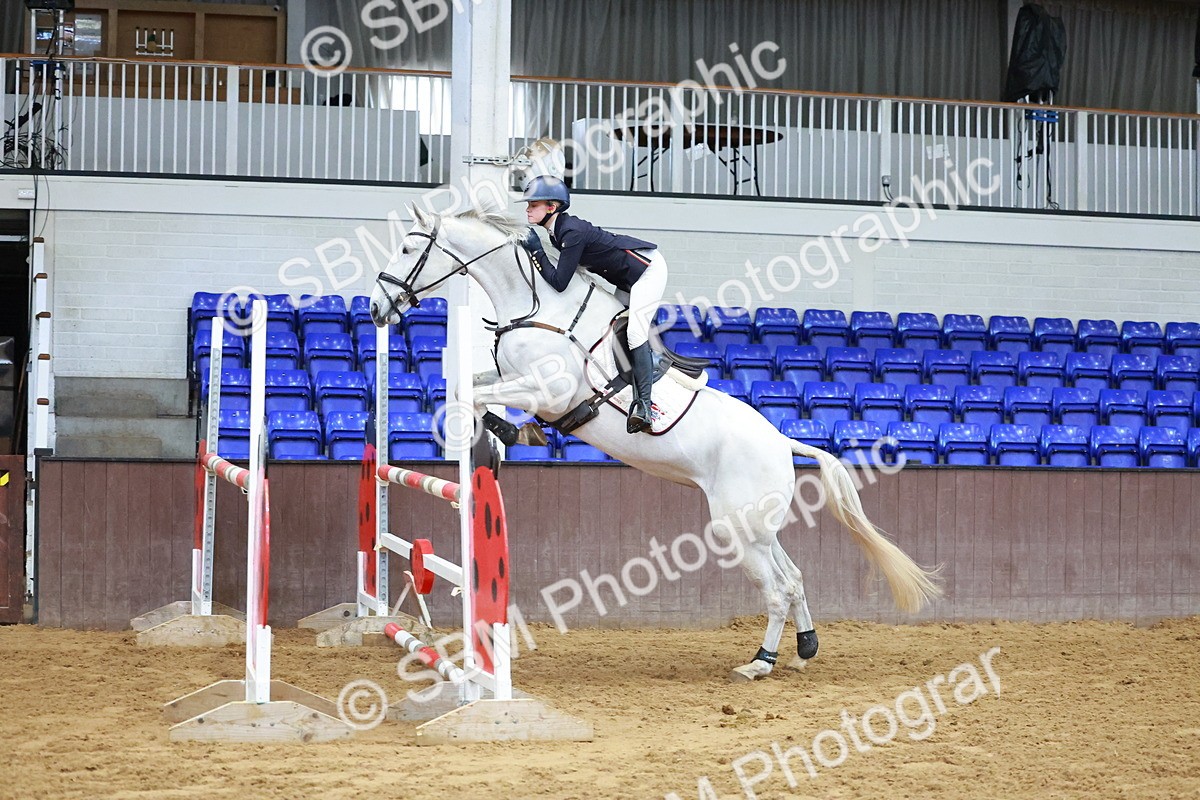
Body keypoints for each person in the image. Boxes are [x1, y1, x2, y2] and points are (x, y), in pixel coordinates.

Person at [521, 175, 668, 434]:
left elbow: (559, 282)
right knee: (609, 325)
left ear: (552, 207)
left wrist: (536, 251)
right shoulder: (559, 232)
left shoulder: (571, 233)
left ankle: (644, 406)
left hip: (647, 271)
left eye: (534, 204)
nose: (528, 208)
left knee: (634, 333)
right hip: (625, 278)